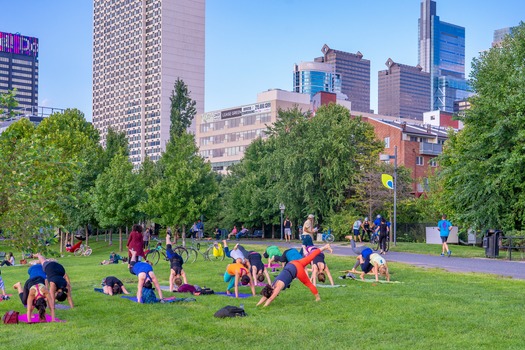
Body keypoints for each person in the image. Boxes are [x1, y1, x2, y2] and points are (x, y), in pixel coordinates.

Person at [257, 244, 332, 307]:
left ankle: (318, 298)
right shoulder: (272, 284)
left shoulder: (276, 288)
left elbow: (270, 299)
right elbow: (266, 295)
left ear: (271, 291)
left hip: (296, 270)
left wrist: (263, 307)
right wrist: (258, 305)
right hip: (292, 263)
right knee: (311, 256)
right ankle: (325, 247)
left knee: (308, 283)